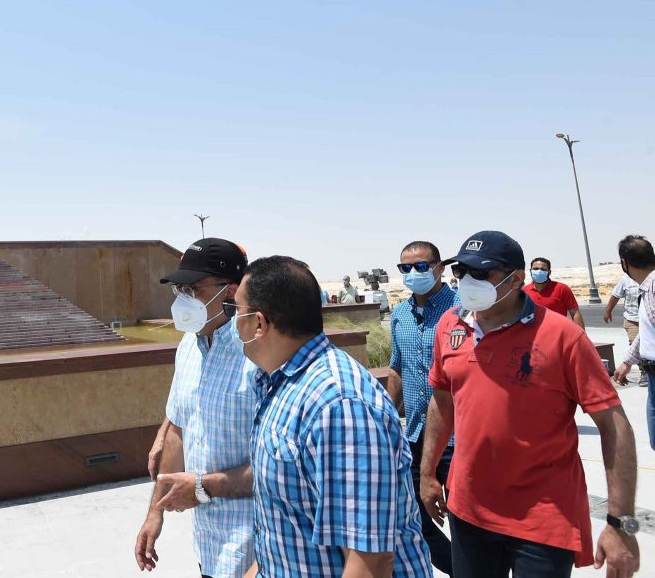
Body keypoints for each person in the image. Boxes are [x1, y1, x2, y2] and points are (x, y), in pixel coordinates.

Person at [421, 231, 640, 578]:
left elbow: (615, 426)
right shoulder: (450, 325)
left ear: (516, 279)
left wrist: (620, 523)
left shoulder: (562, 336)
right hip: (469, 510)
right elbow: (442, 402)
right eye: (461, 271)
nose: (467, 281)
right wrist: (427, 472)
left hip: (544, 516)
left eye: (481, 273)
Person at [235, 255, 431, 578]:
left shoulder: (339, 406)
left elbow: (369, 562)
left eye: (236, 311)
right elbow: (285, 522)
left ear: (259, 323)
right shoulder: (279, 383)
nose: (233, 322)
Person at [135, 238, 257, 578]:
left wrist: (202, 487)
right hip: (208, 543)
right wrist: (155, 512)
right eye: (180, 290)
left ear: (230, 292)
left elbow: (280, 464)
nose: (183, 299)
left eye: (194, 289)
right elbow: (177, 429)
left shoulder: (259, 353)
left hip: (256, 545)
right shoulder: (189, 346)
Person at [387, 240, 459, 576]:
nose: (413, 273)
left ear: (439, 268)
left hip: (458, 437)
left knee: (465, 519)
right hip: (415, 435)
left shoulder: (461, 309)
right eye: (406, 268)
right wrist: (387, 417)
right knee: (415, 517)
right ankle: (459, 569)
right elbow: (396, 370)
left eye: (421, 266)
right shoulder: (399, 314)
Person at [613, 235, 655, 447]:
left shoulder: (653, 286)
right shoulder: (647, 286)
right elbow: (648, 329)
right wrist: (628, 361)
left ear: (624, 263)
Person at [522, 257, 586, 330]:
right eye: (535, 269)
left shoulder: (562, 289)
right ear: (530, 271)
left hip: (557, 332)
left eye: (543, 269)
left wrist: (581, 334)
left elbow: (574, 313)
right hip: (533, 334)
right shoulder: (523, 291)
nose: (539, 271)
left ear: (549, 272)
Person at [605, 273, 641, 346]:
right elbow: (615, 295)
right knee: (636, 347)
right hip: (633, 320)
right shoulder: (626, 279)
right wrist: (608, 311)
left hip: (651, 321)